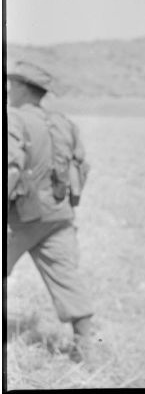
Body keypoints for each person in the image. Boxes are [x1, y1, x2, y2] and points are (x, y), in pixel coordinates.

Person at [6, 60, 94, 363]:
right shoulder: (62, 122)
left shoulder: (13, 119)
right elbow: (82, 166)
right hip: (58, 217)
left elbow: (10, 166)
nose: (7, 89)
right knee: (65, 277)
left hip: (21, 218)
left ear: (20, 87)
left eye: (10, 84)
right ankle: (86, 348)